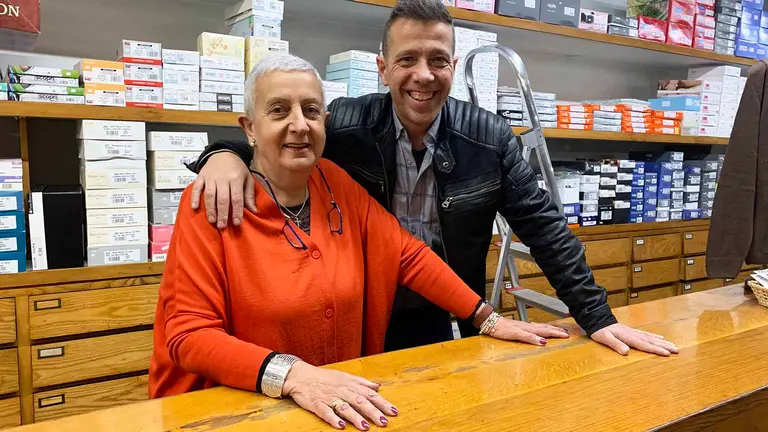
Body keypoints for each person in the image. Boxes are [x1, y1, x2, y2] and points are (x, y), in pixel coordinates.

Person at [187, 0, 680, 357]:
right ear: (383, 69)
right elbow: (286, 142)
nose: (423, 75)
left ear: (453, 66)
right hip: (365, 313)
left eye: (437, 60)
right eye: (407, 59)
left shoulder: (489, 137)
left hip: (453, 307)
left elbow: (546, 230)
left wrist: (598, 318)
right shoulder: (346, 123)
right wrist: (220, 155)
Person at [150, 53, 573, 431]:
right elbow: (188, 336)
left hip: (338, 406)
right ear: (250, 128)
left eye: (311, 110)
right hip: (229, 413)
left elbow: (408, 255)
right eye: (279, 110)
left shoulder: (337, 184)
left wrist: (487, 318)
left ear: (324, 124)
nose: (299, 124)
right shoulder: (212, 203)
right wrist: (296, 376)